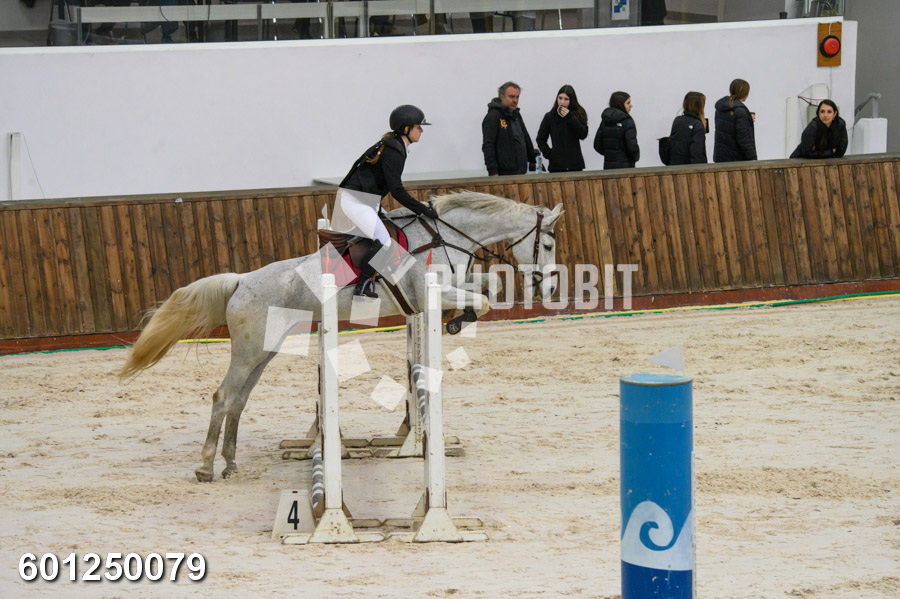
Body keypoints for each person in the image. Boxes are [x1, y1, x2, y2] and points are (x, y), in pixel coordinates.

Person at [336, 105, 438, 297]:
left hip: (367, 200)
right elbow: (397, 190)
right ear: (406, 128)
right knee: (384, 241)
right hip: (355, 201)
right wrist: (422, 209)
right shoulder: (394, 150)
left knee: (392, 226)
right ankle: (363, 285)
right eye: (418, 127)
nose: (421, 131)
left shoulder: (396, 146)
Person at [482, 82, 536, 176]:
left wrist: (532, 161)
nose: (515, 100)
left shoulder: (516, 115)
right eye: (511, 97)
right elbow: (488, 146)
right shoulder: (493, 117)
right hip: (503, 174)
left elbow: (524, 138)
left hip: (521, 171)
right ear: (502, 96)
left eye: (517, 97)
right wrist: (493, 172)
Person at [536, 85, 589, 173]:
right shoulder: (550, 116)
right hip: (556, 166)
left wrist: (570, 117)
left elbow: (583, 134)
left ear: (571, 100)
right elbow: (540, 139)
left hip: (575, 165)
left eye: (566, 99)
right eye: (560, 98)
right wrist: (550, 155)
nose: (562, 102)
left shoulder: (578, 113)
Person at [713, 78, 757, 163]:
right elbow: (743, 139)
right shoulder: (741, 111)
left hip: (721, 156)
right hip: (737, 159)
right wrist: (753, 158)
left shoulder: (721, 108)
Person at [594, 91, 640, 169]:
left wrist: (610, 155)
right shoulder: (627, 121)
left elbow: (597, 145)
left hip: (608, 166)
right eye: (628, 103)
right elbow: (632, 147)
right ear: (620, 104)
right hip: (626, 165)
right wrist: (636, 157)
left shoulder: (605, 121)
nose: (631, 105)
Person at [668, 91, 708, 165]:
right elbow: (697, 153)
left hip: (674, 165)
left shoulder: (677, 120)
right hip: (690, 168)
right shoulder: (697, 125)